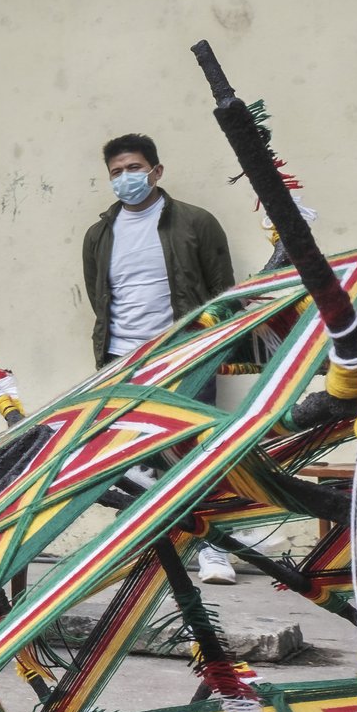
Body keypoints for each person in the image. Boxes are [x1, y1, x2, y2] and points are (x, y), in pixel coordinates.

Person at [81, 132, 239, 582]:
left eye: (134, 168)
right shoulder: (99, 235)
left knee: (196, 448)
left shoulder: (196, 223)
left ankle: (212, 548)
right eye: (116, 172)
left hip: (187, 354)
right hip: (122, 359)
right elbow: (100, 298)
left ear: (156, 171)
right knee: (130, 456)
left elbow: (223, 293)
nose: (126, 178)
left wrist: (209, 348)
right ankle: (140, 546)